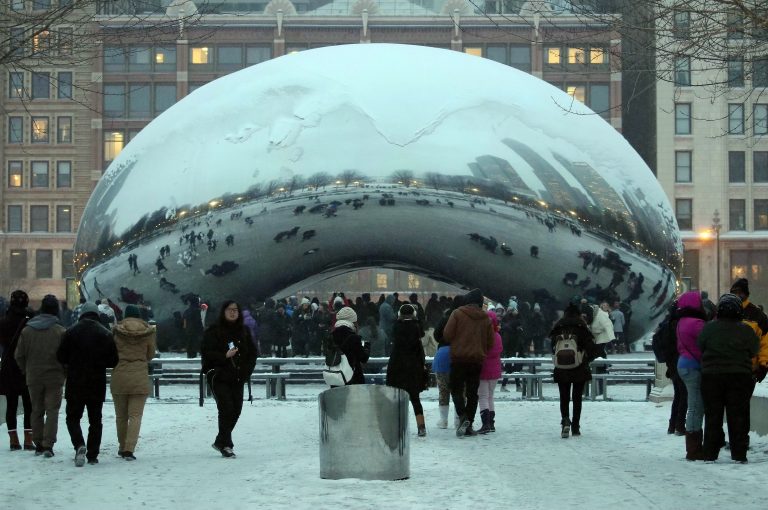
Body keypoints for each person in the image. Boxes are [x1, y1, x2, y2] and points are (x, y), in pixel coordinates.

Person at [698, 294, 760, 463]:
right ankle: (739, 453)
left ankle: (710, 453)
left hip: (711, 377)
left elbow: (700, 346)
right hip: (739, 377)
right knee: (738, 416)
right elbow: (754, 350)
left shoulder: (708, 328)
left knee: (712, 416)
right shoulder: (746, 330)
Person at [56, 303, 119, 466]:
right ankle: (92, 454)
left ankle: (79, 444)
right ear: (96, 314)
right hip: (96, 383)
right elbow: (114, 360)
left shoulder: (70, 332)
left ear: (82, 314)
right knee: (95, 420)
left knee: (72, 417)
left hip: (75, 382)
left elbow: (60, 356)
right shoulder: (105, 333)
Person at [201, 300, 258, 458]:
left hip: (238, 376)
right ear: (223, 311)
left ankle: (221, 440)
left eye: (235, 310)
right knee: (226, 407)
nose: (233, 312)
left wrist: (246, 371)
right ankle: (226, 444)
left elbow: (253, 353)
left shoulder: (244, 331)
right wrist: (224, 356)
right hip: (219, 375)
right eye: (229, 309)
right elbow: (206, 352)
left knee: (236, 409)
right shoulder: (214, 331)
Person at [14, 295, 67, 457]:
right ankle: (48, 444)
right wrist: (64, 372)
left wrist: (26, 370)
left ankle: (37, 442)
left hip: (33, 376)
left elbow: (19, 355)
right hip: (54, 377)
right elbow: (66, 356)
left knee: (36, 410)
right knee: (52, 410)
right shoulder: (60, 331)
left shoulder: (27, 331)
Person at [443, 288, 494, 437]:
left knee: (456, 389)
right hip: (476, 360)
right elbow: (490, 342)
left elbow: (447, 335)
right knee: (473, 393)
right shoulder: (485, 318)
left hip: (458, 359)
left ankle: (463, 417)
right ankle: (469, 425)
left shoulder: (457, 314)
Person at [111, 304, 156, 461]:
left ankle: (122, 447)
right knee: (135, 416)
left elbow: (112, 354)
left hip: (120, 376)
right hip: (139, 376)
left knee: (121, 417)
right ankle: (129, 449)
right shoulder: (148, 332)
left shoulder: (117, 331)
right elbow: (150, 354)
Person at [549, 303, 598, 438]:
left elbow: (552, 347)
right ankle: (575, 427)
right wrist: (586, 360)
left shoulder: (558, 327)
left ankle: (565, 420)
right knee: (577, 398)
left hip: (561, 368)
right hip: (579, 368)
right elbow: (591, 348)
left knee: (564, 397)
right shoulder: (582, 327)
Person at [674, 291, 708, 461]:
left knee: (693, 404)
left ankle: (693, 445)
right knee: (695, 406)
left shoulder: (681, 322)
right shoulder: (697, 323)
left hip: (683, 364)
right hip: (694, 366)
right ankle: (694, 448)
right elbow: (707, 342)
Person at [386, 304, 428, 437]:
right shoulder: (416, 329)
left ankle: (396, 427)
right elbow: (420, 352)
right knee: (415, 399)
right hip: (413, 369)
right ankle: (421, 427)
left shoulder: (396, 328)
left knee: (397, 399)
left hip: (398, 368)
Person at [0, 290, 34, 451]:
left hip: (8, 366)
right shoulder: (30, 321)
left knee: (11, 405)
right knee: (29, 405)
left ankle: (13, 440)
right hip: (26, 366)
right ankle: (28, 439)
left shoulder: (3, 322)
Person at [477, 309, 503, 434]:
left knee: (482, 397)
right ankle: (492, 423)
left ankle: (485, 423)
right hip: (495, 369)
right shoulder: (498, 336)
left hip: (483, 369)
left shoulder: (481, 336)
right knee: (490, 396)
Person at [329, 307, 370, 385]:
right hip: (353, 379)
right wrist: (367, 346)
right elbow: (363, 358)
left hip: (336, 378)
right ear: (352, 321)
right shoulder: (354, 338)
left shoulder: (331, 336)